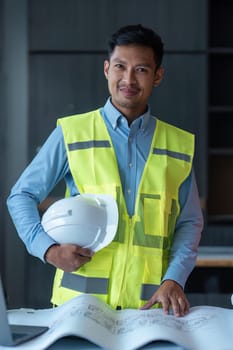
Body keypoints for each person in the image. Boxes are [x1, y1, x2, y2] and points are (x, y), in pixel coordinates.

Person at [7, 24, 203, 317]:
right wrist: (48, 250)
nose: (128, 79)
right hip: (78, 309)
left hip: (149, 310)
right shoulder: (72, 132)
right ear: (107, 69)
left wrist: (174, 278)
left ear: (157, 76)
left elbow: (189, 222)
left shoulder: (178, 145)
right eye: (120, 67)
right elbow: (20, 195)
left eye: (141, 70)